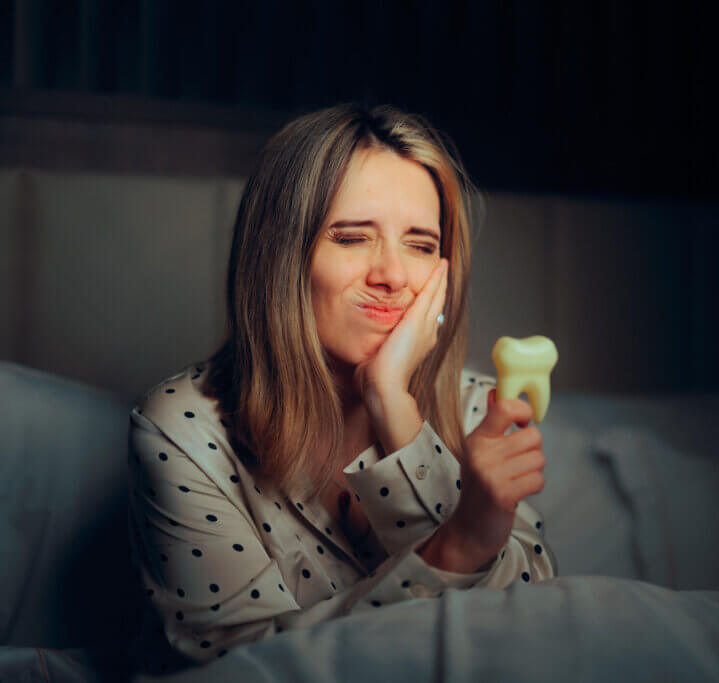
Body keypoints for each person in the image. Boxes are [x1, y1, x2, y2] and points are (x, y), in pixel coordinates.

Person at [125, 102, 557, 676]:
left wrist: (394, 407)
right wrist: (454, 549)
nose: (394, 276)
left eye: (422, 245)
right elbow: (237, 667)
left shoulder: (480, 407)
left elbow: (532, 641)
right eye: (352, 237)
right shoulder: (183, 428)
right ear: (281, 257)